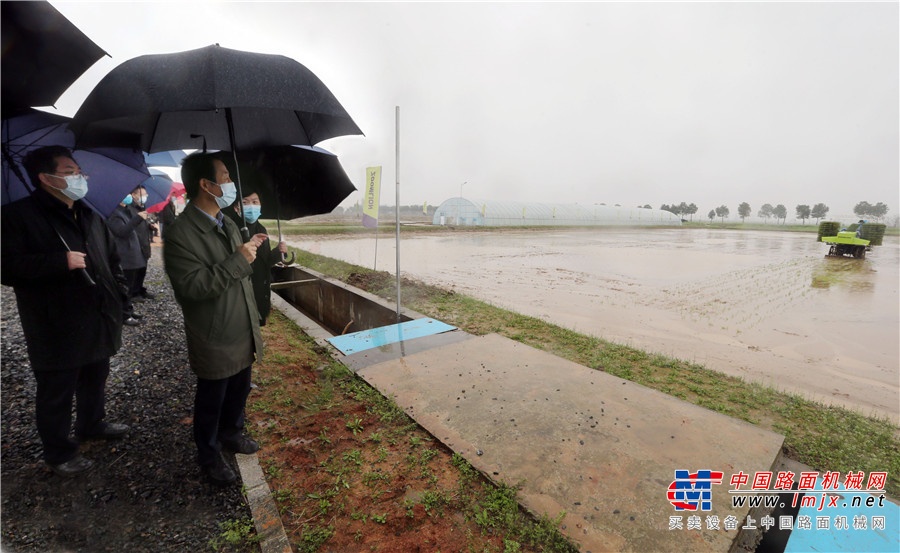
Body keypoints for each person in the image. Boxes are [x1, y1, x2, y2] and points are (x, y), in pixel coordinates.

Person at [0, 145, 130, 477]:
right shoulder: (18, 216)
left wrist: (120, 296)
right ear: (45, 178)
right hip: (55, 322)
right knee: (57, 389)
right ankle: (58, 451)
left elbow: (110, 259)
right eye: (71, 172)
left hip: (97, 313)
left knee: (95, 375)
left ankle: (92, 422)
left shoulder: (89, 213)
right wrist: (59, 262)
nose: (79, 178)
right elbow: (7, 267)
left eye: (78, 171)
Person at [162, 152, 267, 486]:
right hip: (214, 331)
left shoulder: (229, 223)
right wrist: (239, 260)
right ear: (205, 185)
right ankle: (208, 456)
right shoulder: (181, 234)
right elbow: (192, 287)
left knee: (239, 389)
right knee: (212, 398)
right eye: (225, 177)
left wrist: (248, 251)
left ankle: (232, 433)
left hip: (241, 324)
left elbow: (240, 274)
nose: (231, 183)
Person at [224, 185, 288, 326]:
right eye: (245, 202)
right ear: (236, 208)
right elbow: (229, 263)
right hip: (242, 292)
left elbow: (266, 261)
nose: (251, 206)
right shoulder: (231, 229)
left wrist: (279, 252)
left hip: (261, 289)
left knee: (256, 326)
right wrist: (249, 244)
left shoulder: (261, 229)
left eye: (255, 202)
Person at [107, 189, 149, 326]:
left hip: (132, 255)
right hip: (125, 257)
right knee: (125, 288)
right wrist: (138, 218)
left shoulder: (125, 210)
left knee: (130, 287)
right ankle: (124, 314)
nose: (129, 196)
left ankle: (128, 310)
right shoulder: (113, 213)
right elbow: (122, 232)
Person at [127, 187, 157, 301]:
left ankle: (139, 289)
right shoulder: (130, 209)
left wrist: (149, 225)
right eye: (143, 194)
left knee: (142, 270)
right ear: (134, 195)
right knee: (136, 270)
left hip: (144, 243)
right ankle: (134, 293)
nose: (145, 197)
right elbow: (131, 225)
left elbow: (142, 224)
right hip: (136, 244)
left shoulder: (141, 207)